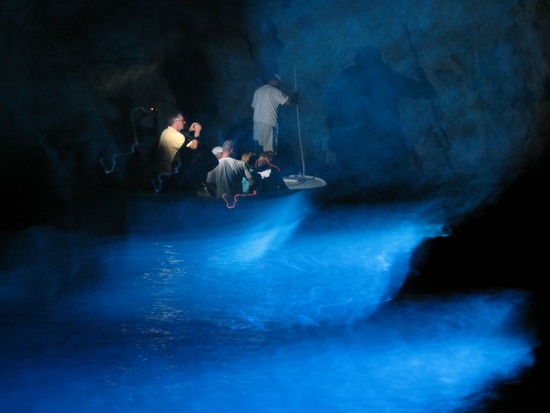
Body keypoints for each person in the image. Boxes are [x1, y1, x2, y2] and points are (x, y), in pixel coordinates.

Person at [325, 46, 437, 194]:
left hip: (354, 147)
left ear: (358, 59)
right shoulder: (386, 75)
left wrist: (334, 139)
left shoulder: (346, 76)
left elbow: (331, 108)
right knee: (392, 187)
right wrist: (423, 78)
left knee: (355, 189)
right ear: (377, 58)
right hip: (386, 144)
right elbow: (428, 93)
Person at [251, 73, 297, 154]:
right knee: (269, 151)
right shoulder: (273, 90)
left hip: (256, 124)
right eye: (278, 81)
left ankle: (257, 162)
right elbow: (288, 102)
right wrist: (295, 94)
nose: (279, 83)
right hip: (268, 122)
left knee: (259, 149)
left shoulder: (258, 91)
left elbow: (254, 106)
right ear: (274, 80)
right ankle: (268, 162)